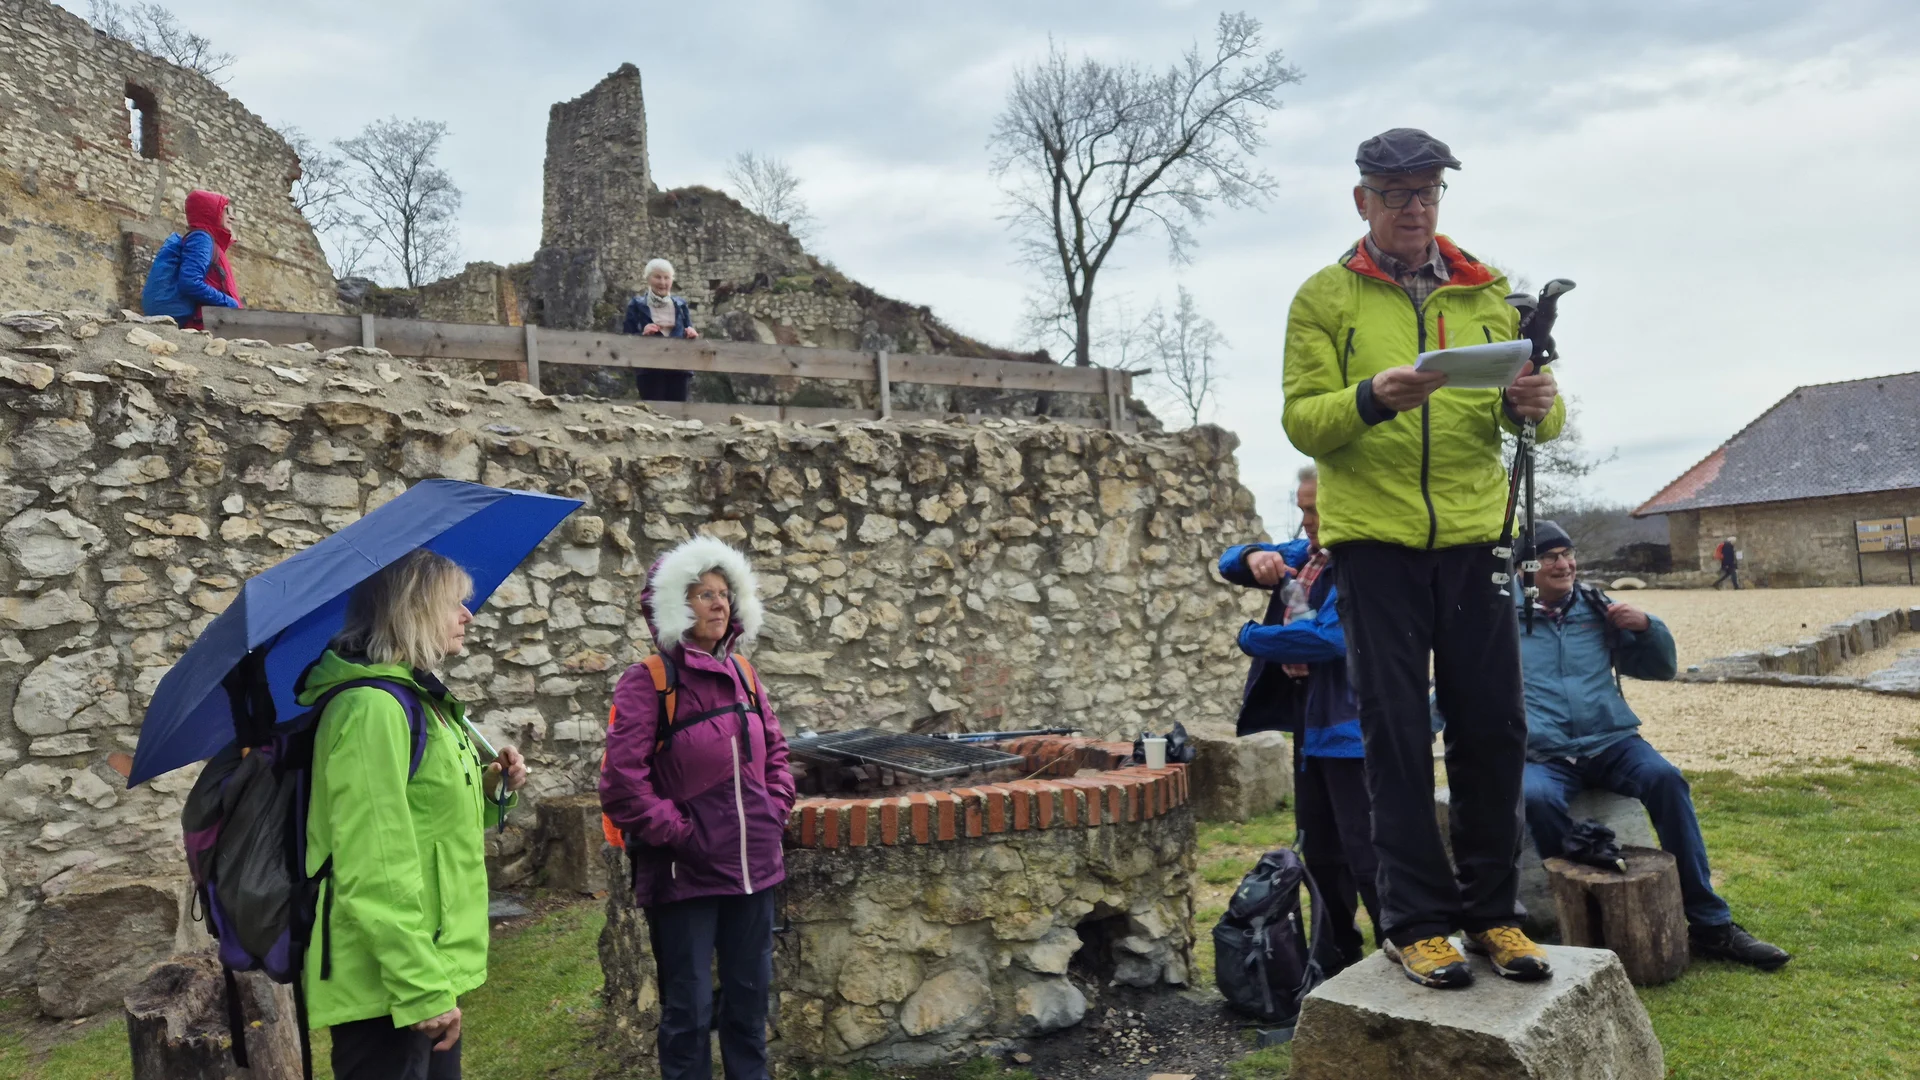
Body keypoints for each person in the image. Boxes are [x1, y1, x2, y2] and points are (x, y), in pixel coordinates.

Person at [1281, 127, 1567, 989]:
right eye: (1397, 192)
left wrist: (1535, 402)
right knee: (1396, 734)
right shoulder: (1324, 297)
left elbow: (1542, 420)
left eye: (1428, 191)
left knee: (1494, 727)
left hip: (1476, 537)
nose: (1415, 207)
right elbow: (1303, 418)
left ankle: (1493, 915)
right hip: (1374, 546)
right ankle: (1414, 922)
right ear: (1362, 199)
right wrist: (1372, 397)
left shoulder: (1487, 292)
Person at [1513, 521, 1790, 969]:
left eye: (1567, 553)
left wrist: (1647, 628)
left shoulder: (1594, 606)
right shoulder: (1499, 618)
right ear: (1524, 567)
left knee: (1666, 780)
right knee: (1535, 798)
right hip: (1543, 752)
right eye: (1549, 557)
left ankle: (1710, 925)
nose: (1564, 565)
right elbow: (1462, 679)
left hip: (1609, 740)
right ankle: (1583, 923)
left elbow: (1658, 668)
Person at [298, 549, 530, 1080]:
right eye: (455, 604)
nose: (468, 616)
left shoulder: (418, 700)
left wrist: (495, 785)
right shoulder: (371, 709)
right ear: (412, 610)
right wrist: (422, 990)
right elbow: (371, 865)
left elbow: (430, 823)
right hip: (389, 985)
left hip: (420, 968)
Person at [600, 536, 795, 1080]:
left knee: (749, 1008)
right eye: (702, 594)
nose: (718, 604)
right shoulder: (649, 682)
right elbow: (621, 784)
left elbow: (776, 754)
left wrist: (772, 812)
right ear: (671, 606)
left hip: (755, 870)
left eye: (723, 593)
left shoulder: (746, 676)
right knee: (688, 1014)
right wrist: (684, 834)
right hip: (684, 876)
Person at [1224, 466, 1382, 974]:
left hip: (1355, 732)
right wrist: (1254, 555)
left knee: (1370, 854)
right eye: (1302, 508)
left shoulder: (1367, 561)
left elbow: (1329, 640)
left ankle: (1401, 948)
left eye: (1315, 509)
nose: (1306, 520)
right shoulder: (1313, 555)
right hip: (1313, 728)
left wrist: (1251, 637)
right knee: (1323, 853)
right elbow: (1230, 564)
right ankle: (1338, 960)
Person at [140, 189, 244, 330]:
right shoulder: (202, 238)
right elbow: (190, 282)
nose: (232, 217)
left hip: (209, 321)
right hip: (204, 323)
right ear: (212, 211)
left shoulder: (207, 240)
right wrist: (230, 304)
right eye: (226, 210)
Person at [621, 257, 701, 403]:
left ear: (672, 280)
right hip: (649, 369)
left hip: (679, 367)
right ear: (648, 279)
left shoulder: (681, 305)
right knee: (654, 415)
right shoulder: (636, 305)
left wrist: (691, 335)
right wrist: (642, 334)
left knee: (678, 415)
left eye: (667, 278)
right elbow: (626, 337)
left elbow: (689, 330)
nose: (662, 282)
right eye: (657, 277)